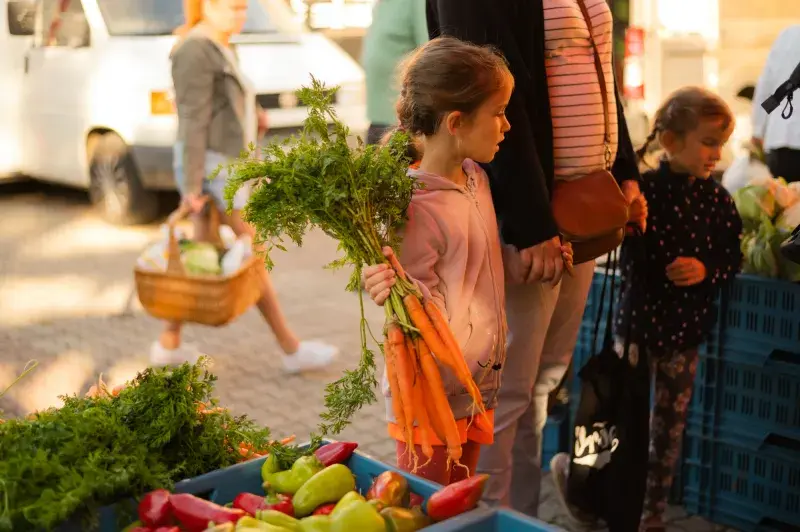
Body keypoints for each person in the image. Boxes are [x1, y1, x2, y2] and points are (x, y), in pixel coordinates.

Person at [425, 0, 646, 513]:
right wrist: (528, 225)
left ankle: (522, 516)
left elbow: (597, 70)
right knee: (502, 398)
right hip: (528, 218)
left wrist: (626, 170)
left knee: (540, 387)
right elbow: (491, 95)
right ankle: (490, 519)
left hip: (582, 209)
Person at [362, 36, 573, 485]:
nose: (507, 126)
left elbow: (479, 267)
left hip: (474, 389)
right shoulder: (414, 207)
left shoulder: (476, 178)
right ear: (456, 122)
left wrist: (525, 265)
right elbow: (421, 313)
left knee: (458, 505)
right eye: (498, 113)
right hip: (430, 400)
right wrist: (384, 281)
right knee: (431, 511)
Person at [551, 86, 743, 531]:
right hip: (635, 333)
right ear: (672, 141)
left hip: (685, 336)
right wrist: (630, 225)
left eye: (721, 144)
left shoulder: (718, 201)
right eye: (708, 142)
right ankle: (587, 492)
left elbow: (731, 256)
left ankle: (650, 514)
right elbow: (625, 252)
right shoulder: (644, 192)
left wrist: (705, 268)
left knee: (667, 434)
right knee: (619, 423)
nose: (716, 153)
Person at [156, 0, 338, 372]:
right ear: (203, 5)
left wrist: (253, 115)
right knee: (253, 255)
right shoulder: (194, 49)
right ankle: (291, 349)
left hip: (223, 165)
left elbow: (224, 103)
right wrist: (192, 186)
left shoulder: (222, 43)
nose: (237, 15)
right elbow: (191, 120)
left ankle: (168, 342)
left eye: (242, 8)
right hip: (211, 170)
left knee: (199, 255)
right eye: (229, 7)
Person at [361, 0, 429, 145]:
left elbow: (428, 54)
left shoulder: (417, 3)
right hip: (377, 118)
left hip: (400, 126)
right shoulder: (382, 4)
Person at [751, 25, 800, 183]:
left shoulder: (788, 36)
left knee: (785, 204)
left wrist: (758, 128)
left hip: (780, 140)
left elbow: (767, 86)